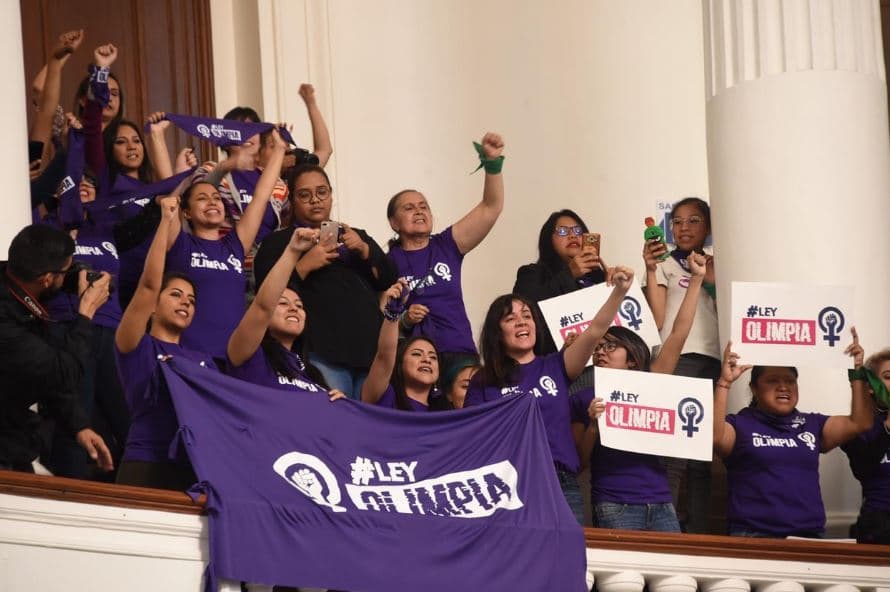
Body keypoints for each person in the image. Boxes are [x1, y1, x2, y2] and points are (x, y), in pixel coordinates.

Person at [463, 266, 635, 524]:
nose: (521, 322)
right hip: (508, 482)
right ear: (497, 333)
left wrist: (620, 291)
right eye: (510, 319)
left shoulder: (556, 365)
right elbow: (472, 438)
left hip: (560, 482)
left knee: (564, 561)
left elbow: (595, 331)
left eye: (527, 315)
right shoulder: (484, 380)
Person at [571, 252, 707, 532]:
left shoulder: (652, 383)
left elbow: (678, 334)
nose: (601, 353)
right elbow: (579, 463)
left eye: (610, 347)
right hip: (614, 505)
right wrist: (595, 425)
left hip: (661, 504)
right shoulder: (584, 398)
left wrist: (696, 279)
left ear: (632, 357)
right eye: (597, 348)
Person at [252, 165, 397, 399]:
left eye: (322, 192)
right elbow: (265, 297)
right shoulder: (278, 242)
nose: (315, 200)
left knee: (371, 431)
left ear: (331, 194)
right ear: (292, 199)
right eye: (305, 195)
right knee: (335, 426)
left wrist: (364, 248)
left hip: (371, 354)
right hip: (321, 354)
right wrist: (304, 265)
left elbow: (389, 277)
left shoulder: (354, 234)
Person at [714, 331, 872, 538]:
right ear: (754, 388)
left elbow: (859, 423)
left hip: (809, 536)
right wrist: (725, 383)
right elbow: (715, 438)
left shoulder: (813, 423)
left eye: (790, 381)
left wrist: (857, 371)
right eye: (772, 381)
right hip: (753, 535)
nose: (783, 387)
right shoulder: (741, 424)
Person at [114, 195, 217, 490]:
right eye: (175, 294)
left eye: (191, 300)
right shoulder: (136, 345)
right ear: (154, 307)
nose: (185, 302)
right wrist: (166, 221)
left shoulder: (205, 361)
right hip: (145, 462)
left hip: (194, 466)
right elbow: (148, 286)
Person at [386, 133, 505, 377]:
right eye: (409, 208)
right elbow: (378, 317)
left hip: (459, 353)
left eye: (424, 207)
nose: (419, 211)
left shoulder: (446, 245)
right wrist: (405, 320)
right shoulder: (386, 263)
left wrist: (492, 164)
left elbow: (490, 208)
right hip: (413, 357)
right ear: (393, 223)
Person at [162, 130, 286, 359]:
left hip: (233, 360)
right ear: (187, 212)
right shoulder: (181, 244)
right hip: (190, 357)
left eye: (216, 198)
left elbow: (260, 196)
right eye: (202, 198)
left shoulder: (235, 246)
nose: (212, 201)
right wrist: (161, 140)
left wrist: (279, 150)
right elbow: (169, 202)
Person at [0, 224, 113, 473]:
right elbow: (62, 373)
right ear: (47, 278)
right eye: (66, 271)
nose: (69, 276)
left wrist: (79, 426)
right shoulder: (6, 320)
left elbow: (44, 372)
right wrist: (86, 313)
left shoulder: (13, 283)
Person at [642, 196, 719, 533]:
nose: (684, 227)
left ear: (709, 227)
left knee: (702, 456)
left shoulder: (719, 264)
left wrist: (708, 272)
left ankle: (701, 532)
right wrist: (648, 268)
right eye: (678, 221)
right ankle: (667, 530)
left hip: (713, 361)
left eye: (694, 220)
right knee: (674, 451)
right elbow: (657, 318)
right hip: (677, 357)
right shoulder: (664, 264)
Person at [225, 226, 343, 403]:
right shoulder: (249, 354)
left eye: (299, 305)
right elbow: (263, 307)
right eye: (282, 303)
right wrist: (293, 251)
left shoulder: (312, 373)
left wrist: (339, 405)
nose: (294, 309)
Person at [513, 209, 606, 357]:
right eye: (562, 231)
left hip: (600, 361)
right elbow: (525, 312)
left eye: (577, 230)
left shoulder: (599, 277)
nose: (572, 235)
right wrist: (570, 274)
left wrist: (616, 285)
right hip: (556, 363)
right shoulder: (532, 273)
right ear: (548, 240)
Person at [361, 281, 449, 411]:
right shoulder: (386, 397)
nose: (427, 360)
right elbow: (384, 357)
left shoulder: (444, 414)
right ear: (399, 365)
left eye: (433, 357)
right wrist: (392, 313)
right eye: (417, 354)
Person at [842, 347, 890, 544]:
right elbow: (863, 469)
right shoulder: (860, 428)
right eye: (888, 376)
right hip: (880, 524)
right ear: (872, 386)